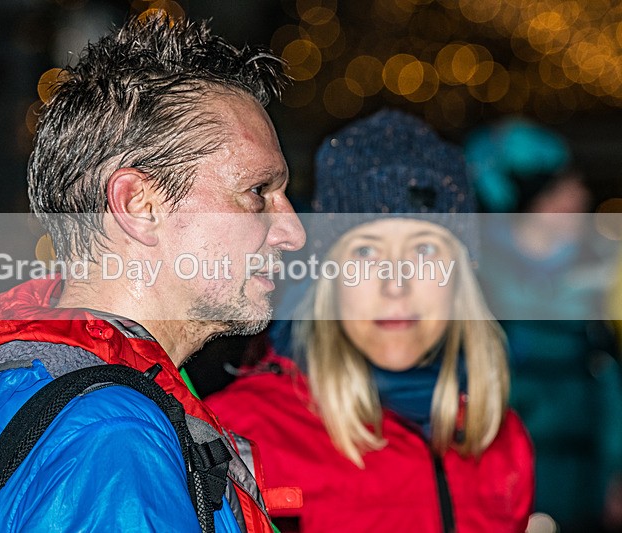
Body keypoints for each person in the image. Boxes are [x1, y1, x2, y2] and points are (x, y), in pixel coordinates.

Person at [0, 15, 305, 533]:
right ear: (138, 205)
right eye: (258, 191)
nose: (292, 231)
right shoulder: (110, 438)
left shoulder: (22, 380)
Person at [205, 109, 534, 533]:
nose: (395, 284)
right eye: (364, 252)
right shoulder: (241, 434)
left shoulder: (501, 442)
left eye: (424, 251)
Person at [465, 117, 622, 533]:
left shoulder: (591, 281)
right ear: (534, 201)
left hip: (585, 501)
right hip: (511, 500)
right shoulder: (478, 290)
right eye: (564, 186)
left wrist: (614, 472)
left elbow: (606, 388)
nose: (582, 196)